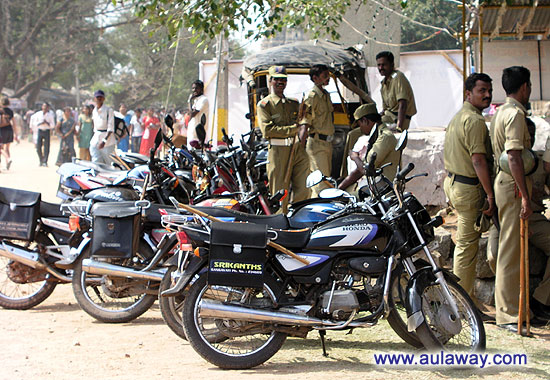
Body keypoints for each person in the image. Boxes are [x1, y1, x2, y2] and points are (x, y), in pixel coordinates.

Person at [489, 66, 536, 332]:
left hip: (506, 181)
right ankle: (508, 314)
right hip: (513, 183)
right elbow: (514, 156)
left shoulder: (501, 112)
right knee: (510, 250)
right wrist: (526, 197)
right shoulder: (515, 114)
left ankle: (516, 308)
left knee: (512, 248)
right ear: (525, 87)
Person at [442, 73, 495, 302]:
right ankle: (462, 305)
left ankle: (465, 300)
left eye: (489, 90)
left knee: (464, 244)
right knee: (466, 247)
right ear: (468, 93)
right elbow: (478, 160)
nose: (487, 95)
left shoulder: (459, 116)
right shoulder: (473, 120)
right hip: (468, 188)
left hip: (454, 184)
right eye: (482, 90)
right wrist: (490, 194)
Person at [257, 66, 310, 212]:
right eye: (277, 79)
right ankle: (281, 222)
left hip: (297, 148)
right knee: (280, 192)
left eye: (283, 79)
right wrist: (294, 129)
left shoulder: (293, 103)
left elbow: (304, 121)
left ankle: (299, 216)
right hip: (278, 151)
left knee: (304, 187)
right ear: (270, 81)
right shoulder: (264, 105)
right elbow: (267, 130)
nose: (280, 82)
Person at [338, 103, 400, 192]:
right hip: (376, 187)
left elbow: (365, 169)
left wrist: (355, 157)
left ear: (366, 120)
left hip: (383, 189)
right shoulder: (377, 136)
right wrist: (339, 189)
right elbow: (361, 169)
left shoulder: (384, 137)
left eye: (360, 124)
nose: (361, 129)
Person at [300, 64, 334, 197]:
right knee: (320, 184)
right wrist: (300, 150)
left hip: (327, 143)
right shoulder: (311, 97)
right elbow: (304, 124)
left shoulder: (326, 95)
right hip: (316, 144)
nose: (328, 79)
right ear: (315, 78)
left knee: (326, 180)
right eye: (325, 76)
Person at [376, 51, 417, 132]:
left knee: (375, 127)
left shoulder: (398, 77)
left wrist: (399, 127)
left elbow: (403, 105)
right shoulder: (383, 84)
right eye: (379, 65)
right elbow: (385, 109)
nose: (381, 68)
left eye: (384, 65)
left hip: (399, 119)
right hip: (388, 117)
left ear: (392, 64)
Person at [90, 90, 116, 164]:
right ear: (94, 99)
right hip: (96, 139)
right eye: (97, 97)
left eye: (101, 97)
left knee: (109, 162)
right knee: (96, 161)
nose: (99, 99)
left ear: (103, 99)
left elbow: (111, 128)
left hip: (108, 141)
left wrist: (104, 141)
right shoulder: (94, 111)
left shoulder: (108, 110)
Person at [31, 102, 55, 167]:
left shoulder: (50, 115)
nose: (44, 108)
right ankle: (41, 160)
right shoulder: (38, 114)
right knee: (38, 147)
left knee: (46, 147)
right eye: (43, 106)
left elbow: (53, 125)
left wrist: (47, 123)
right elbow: (34, 123)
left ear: (48, 108)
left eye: (46, 107)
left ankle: (45, 161)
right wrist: (40, 123)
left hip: (47, 131)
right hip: (40, 130)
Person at [187, 80, 209, 149]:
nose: (194, 90)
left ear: (201, 89)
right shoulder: (196, 100)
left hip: (198, 135)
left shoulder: (203, 100)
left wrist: (189, 101)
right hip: (192, 133)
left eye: (196, 88)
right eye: (193, 88)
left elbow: (192, 114)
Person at [0, 97, 17, 171]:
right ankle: (8, 163)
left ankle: (7, 159)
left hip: (1, 130)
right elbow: (14, 123)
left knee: (1, 148)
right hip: (9, 130)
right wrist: (16, 134)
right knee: (7, 148)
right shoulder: (10, 111)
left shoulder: (0, 111)